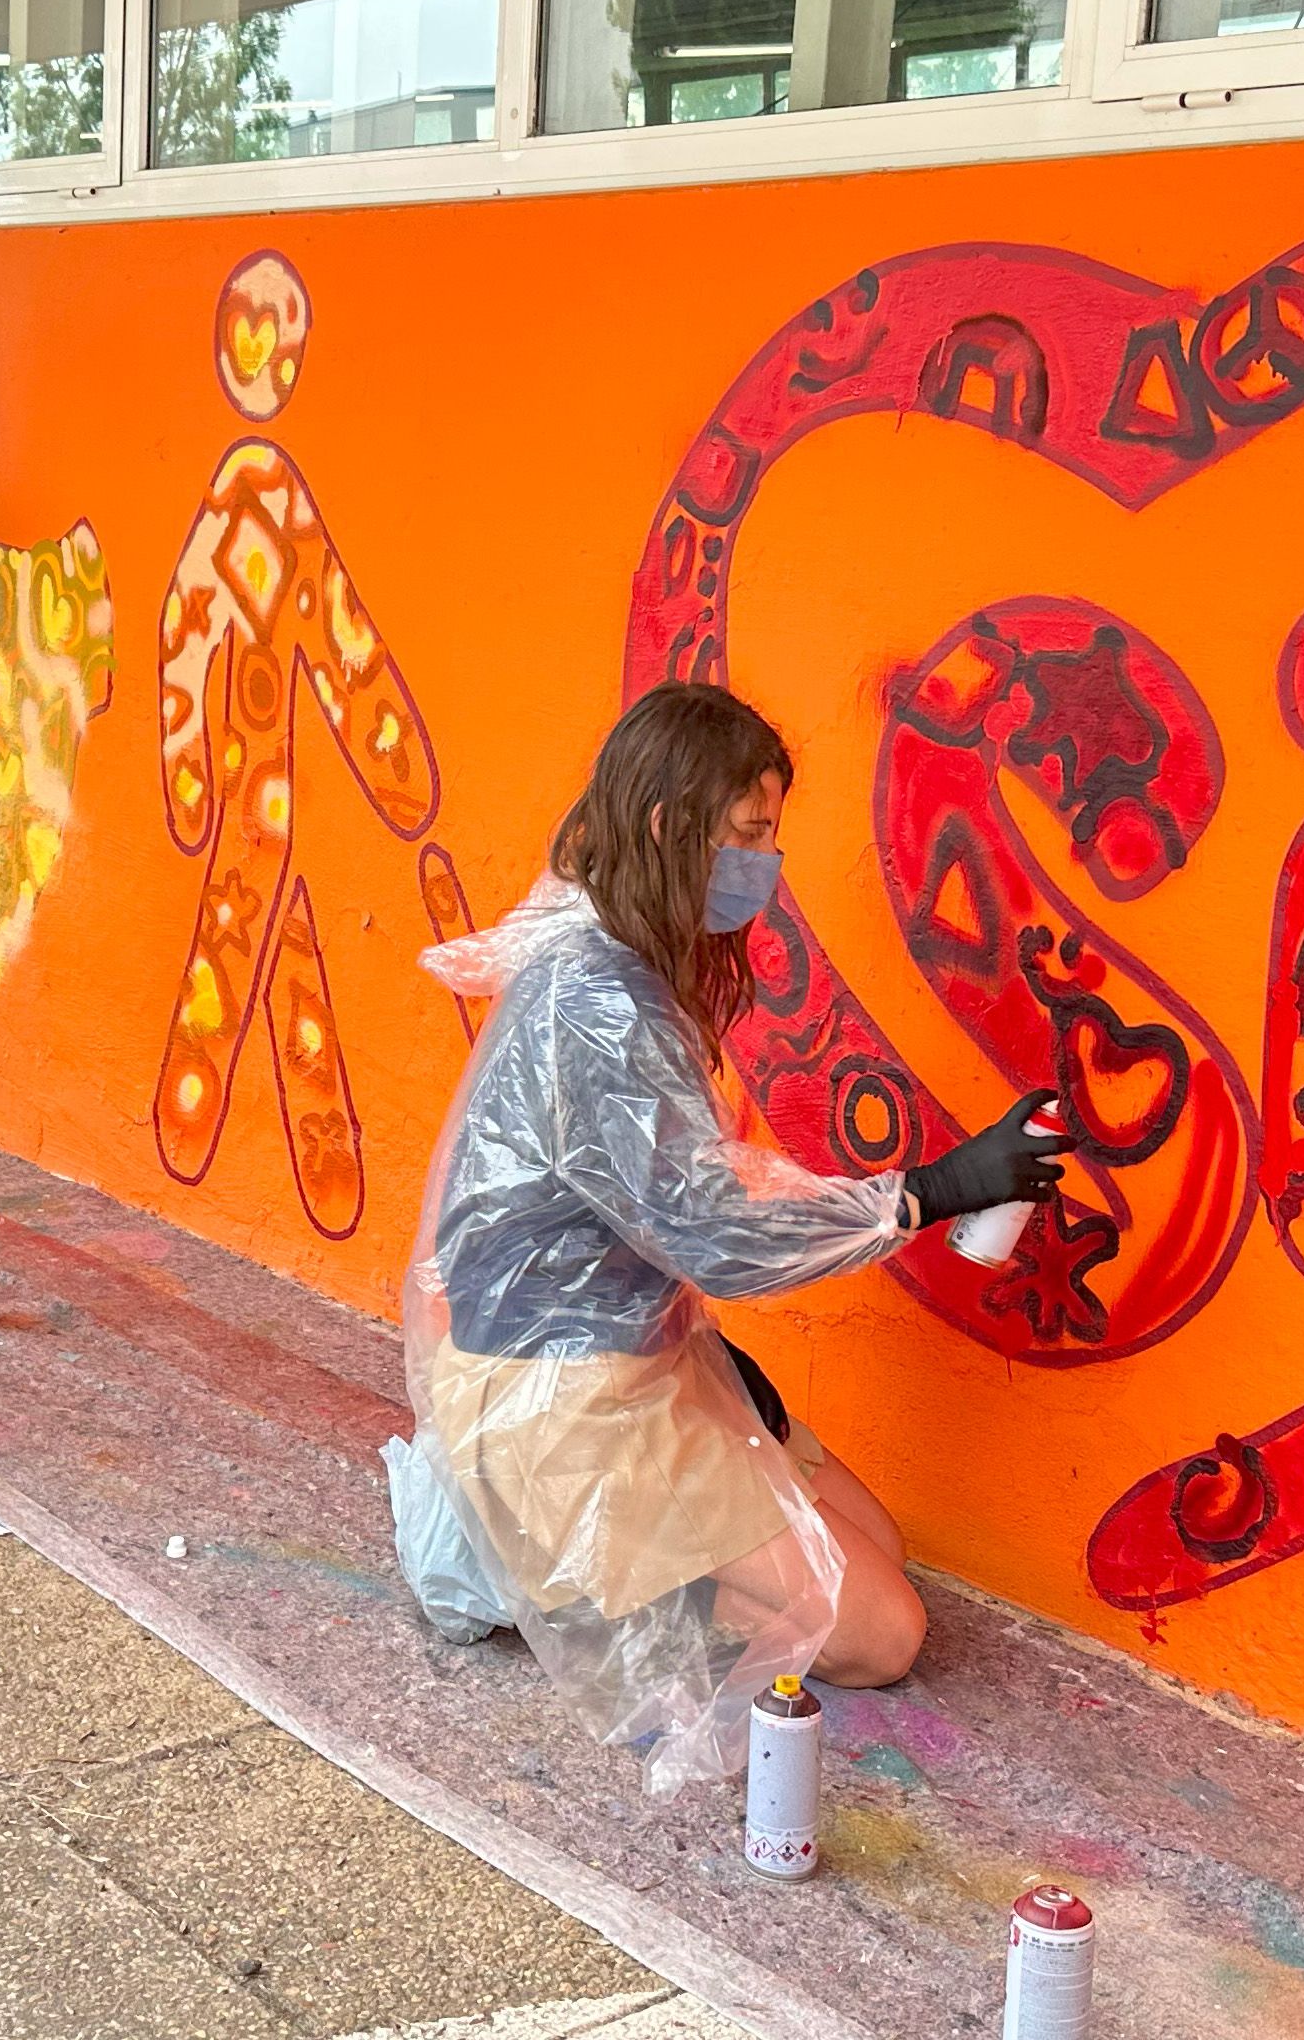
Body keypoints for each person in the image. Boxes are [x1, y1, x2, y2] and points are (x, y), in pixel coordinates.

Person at [402, 681, 1073, 1790]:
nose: (763, 864)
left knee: (875, 1553)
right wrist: (933, 1190)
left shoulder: (612, 955)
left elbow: (650, 1215)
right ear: (670, 827)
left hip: (633, 1362)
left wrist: (716, 1362)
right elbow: (715, 1233)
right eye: (746, 834)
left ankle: (619, 1550)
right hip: (555, 1401)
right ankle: (575, 1560)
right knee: (883, 1635)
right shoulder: (596, 1005)